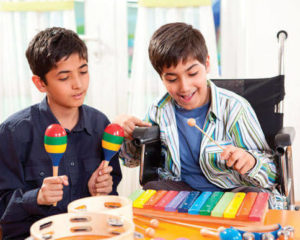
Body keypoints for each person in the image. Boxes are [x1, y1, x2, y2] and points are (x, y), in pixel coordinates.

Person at [115, 22, 283, 209]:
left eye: (192, 73)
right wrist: (125, 133)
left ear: (207, 64)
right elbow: (132, 160)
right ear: (161, 78)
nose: (185, 87)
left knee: (256, 198)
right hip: (182, 191)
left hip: (231, 191)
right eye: (172, 79)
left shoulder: (235, 108)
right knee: (152, 188)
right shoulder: (159, 110)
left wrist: (251, 162)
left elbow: (272, 173)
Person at [0, 27, 122, 239]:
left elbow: (110, 199)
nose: (78, 84)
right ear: (40, 83)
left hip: (90, 232)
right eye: (64, 77)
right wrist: (36, 197)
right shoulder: (13, 132)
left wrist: (102, 191)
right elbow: (3, 206)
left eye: (83, 72)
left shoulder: (100, 124)